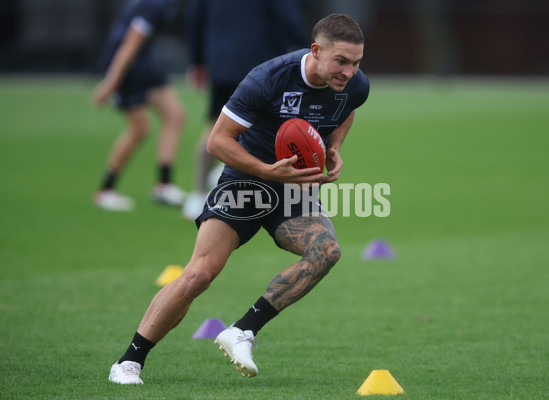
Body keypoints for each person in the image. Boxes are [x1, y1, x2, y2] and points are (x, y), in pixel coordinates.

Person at [108, 13, 369, 384]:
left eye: (356, 63)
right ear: (316, 50)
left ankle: (242, 331)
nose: (348, 72)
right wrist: (267, 171)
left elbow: (347, 110)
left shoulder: (355, 85)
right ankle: (129, 361)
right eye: (340, 61)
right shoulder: (268, 78)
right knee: (198, 275)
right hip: (245, 182)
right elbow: (217, 141)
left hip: (292, 189)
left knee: (326, 251)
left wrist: (334, 148)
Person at [181, 0, 309, 220]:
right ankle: (279, 198)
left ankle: (198, 194)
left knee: (216, 126)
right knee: (271, 127)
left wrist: (197, 60)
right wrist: (309, 52)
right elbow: (289, 18)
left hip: (222, 62)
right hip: (261, 66)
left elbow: (195, 19)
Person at [92, 0, 187, 211]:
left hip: (144, 62)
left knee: (175, 115)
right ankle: (105, 191)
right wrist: (110, 84)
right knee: (140, 129)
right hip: (128, 67)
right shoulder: (154, 4)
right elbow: (129, 44)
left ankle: (163, 185)